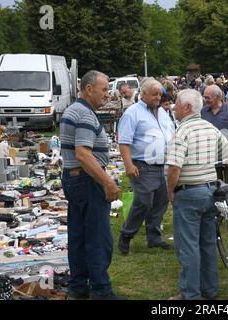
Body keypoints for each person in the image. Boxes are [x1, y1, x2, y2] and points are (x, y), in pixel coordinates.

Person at [166, 89, 228, 300]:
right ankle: (209, 290)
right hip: (210, 191)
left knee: (188, 247)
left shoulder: (182, 132)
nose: (174, 107)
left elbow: (174, 168)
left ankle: (190, 294)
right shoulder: (210, 128)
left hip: (189, 193)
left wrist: (170, 190)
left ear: (187, 108)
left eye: (177, 104)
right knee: (207, 243)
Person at [60, 70, 125, 300]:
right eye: (104, 89)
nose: (107, 94)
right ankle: (101, 291)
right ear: (89, 89)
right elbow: (83, 154)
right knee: (98, 238)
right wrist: (107, 182)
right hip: (87, 181)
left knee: (78, 235)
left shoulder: (72, 110)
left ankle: (78, 288)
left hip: (73, 179)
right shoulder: (86, 115)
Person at [117, 77, 175, 255]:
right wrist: (128, 165)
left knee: (161, 201)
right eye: (154, 94)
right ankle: (126, 234)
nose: (158, 97)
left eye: (160, 94)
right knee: (143, 201)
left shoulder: (163, 113)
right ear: (143, 94)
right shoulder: (132, 113)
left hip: (163, 165)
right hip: (142, 165)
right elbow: (124, 142)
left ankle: (154, 237)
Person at [201, 85, 228, 184]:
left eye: (208, 98)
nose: (205, 100)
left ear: (218, 97)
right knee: (215, 190)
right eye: (204, 97)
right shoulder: (202, 112)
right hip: (211, 159)